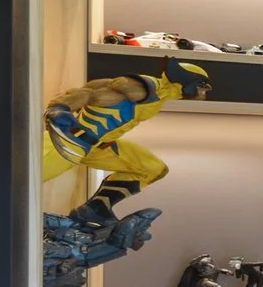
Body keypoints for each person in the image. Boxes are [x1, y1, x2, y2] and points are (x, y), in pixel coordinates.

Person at [42, 58, 210, 226]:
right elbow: (90, 93)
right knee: (25, 180)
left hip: (101, 147)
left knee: (152, 169)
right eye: (201, 86)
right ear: (187, 81)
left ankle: (96, 208)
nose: (202, 92)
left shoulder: (158, 96)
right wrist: (59, 108)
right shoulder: (141, 89)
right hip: (72, 141)